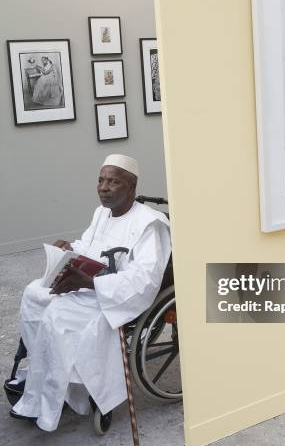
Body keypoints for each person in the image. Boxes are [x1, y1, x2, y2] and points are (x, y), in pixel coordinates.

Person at [6, 154, 171, 431]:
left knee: (58, 313)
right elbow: (89, 245)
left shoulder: (148, 225)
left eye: (113, 182)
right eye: (101, 180)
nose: (103, 187)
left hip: (115, 296)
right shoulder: (101, 213)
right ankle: (46, 374)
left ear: (131, 187)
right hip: (88, 283)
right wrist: (69, 249)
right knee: (34, 294)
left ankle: (47, 401)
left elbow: (144, 281)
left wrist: (89, 283)